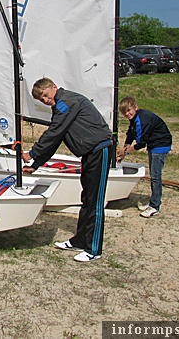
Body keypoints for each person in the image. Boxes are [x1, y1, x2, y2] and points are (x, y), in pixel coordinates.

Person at [22, 78, 112, 262]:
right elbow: (57, 138)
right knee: (86, 198)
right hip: (89, 153)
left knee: (95, 201)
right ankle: (80, 240)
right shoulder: (60, 106)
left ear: (54, 87)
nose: (45, 100)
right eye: (41, 100)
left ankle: (94, 250)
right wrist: (36, 164)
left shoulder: (66, 102)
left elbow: (54, 131)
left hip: (100, 149)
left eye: (46, 95)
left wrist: (32, 153)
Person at [117, 96, 172, 218]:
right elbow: (130, 135)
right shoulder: (135, 119)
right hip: (154, 145)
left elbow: (141, 143)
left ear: (136, 107)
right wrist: (123, 151)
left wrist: (125, 152)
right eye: (124, 113)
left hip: (160, 145)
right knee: (154, 175)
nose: (127, 114)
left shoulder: (143, 119)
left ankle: (155, 206)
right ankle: (153, 202)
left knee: (156, 176)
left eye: (129, 110)